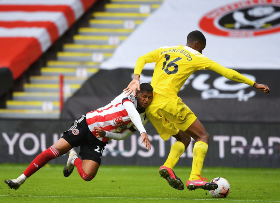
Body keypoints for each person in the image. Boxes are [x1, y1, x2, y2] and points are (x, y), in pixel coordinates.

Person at [124, 30, 270, 191]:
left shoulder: (166, 49)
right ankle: (194, 177)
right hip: (169, 102)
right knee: (202, 136)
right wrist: (253, 84)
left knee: (184, 139)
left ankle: (167, 166)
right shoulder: (196, 57)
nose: (201, 51)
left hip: (151, 106)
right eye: (202, 48)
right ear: (197, 44)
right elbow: (226, 72)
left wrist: (136, 78)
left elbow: (142, 58)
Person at [5, 83, 153, 190]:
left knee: (88, 176)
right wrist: (143, 131)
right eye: (144, 96)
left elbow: (122, 136)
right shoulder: (128, 95)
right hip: (87, 124)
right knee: (55, 151)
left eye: (150, 98)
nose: (146, 100)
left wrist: (106, 134)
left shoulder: (144, 117)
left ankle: (73, 158)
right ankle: (20, 180)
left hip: (99, 138)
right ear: (137, 94)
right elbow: (131, 113)